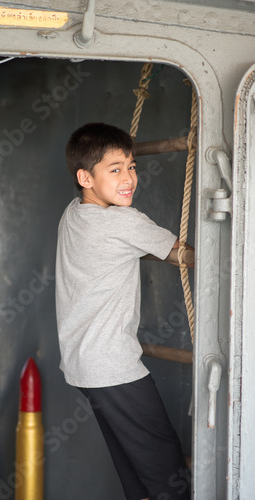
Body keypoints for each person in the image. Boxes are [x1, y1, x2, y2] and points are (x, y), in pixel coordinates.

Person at [55, 122, 191, 500]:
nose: (129, 178)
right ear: (85, 177)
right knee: (168, 475)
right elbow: (188, 253)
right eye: (114, 170)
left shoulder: (73, 213)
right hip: (113, 367)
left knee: (137, 474)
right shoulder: (122, 221)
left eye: (132, 166)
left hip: (82, 367)